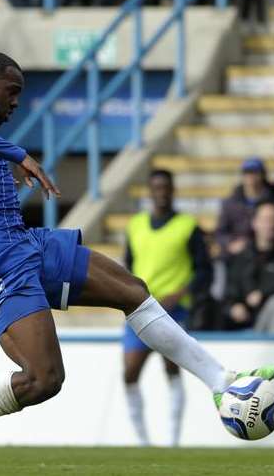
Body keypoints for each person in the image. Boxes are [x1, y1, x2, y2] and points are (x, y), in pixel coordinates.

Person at [0, 51, 274, 469]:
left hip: (23, 240)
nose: (17, 102)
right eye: (12, 91)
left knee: (132, 291)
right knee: (44, 380)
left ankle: (221, 383)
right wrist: (16, 155)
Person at [121, 169, 213, 446]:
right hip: (139, 309)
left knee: (172, 369)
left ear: (173, 190)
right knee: (129, 374)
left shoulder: (188, 226)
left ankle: (173, 439)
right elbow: (127, 268)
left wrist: (181, 293)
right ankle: (143, 441)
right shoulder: (135, 225)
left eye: (165, 187)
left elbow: (205, 271)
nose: (161, 191)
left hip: (173, 311)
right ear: (150, 191)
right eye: (156, 186)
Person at [222, 201, 274, 330]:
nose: (270, 225)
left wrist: (263, 294)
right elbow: (230, 289)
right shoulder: (242, 256)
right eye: (265, 220)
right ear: (254, 223)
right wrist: (233, 306)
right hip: (242, 324)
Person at [214, 157, 274, 258]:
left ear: (263, 175)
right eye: (247, 172)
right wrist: (231, 243)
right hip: (237, 253)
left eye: (254, 172)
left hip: (268, 251)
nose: (250, 176)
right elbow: (220, 233)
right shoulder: (230, 202)